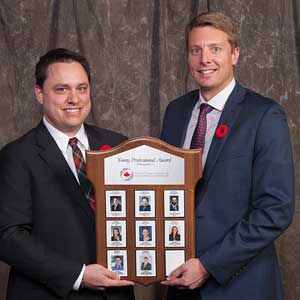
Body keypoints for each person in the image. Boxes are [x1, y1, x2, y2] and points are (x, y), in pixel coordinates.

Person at [160, 12, 294, 300]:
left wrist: (208, 265)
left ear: (235, 54)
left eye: (215, 49)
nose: (204, 59)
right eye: (196, 50)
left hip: (240, 286)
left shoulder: (264, 115)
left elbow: (275, 210)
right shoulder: (175, 112)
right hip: (179, 283)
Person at [0, 48, 134, 300]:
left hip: (115, 293)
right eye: (62, 89)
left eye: (81, 88)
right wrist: (78, 274)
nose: (74, 98)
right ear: (39, 93)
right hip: (49, 293)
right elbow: (8, 237)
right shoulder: (17, 156)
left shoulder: (118, 145)